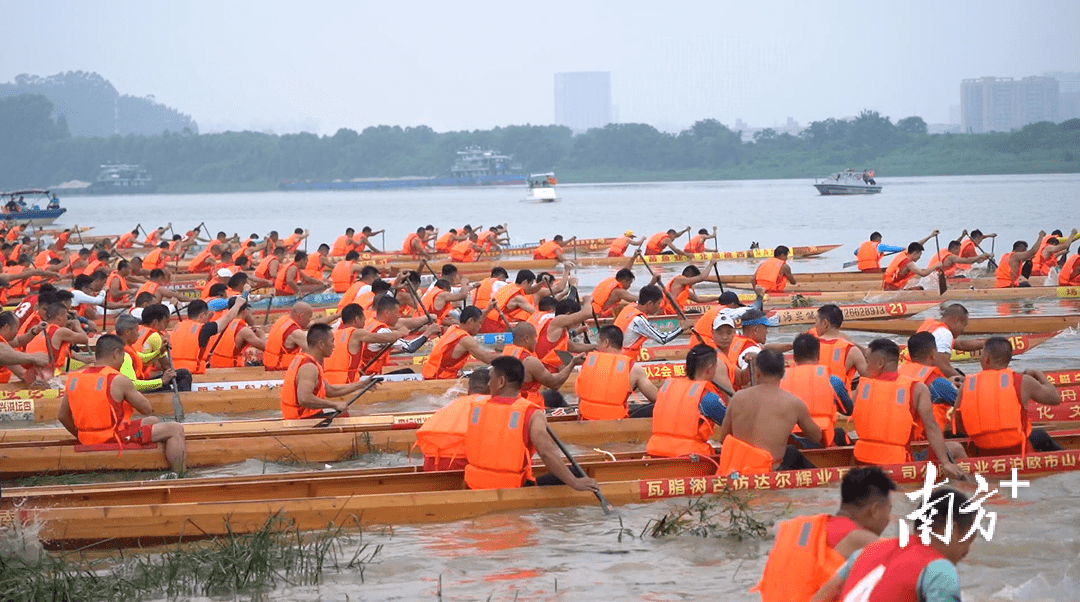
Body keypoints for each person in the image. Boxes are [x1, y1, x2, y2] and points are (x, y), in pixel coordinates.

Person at [812, 487, 979, 602]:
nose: (966, 552)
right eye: (969, 540)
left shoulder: (864, 552)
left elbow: (823, 596)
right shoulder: (939, 570)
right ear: (951, 530)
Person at [755, 467, 896, 602]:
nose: (888, 519)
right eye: (888, 510)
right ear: (875, 510)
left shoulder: (806, 529)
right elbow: (906, 559)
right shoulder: (858, 538)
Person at [463, 356, 599, 491]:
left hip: (474, 485)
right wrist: (575, 483)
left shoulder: (476, 409)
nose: (488, 384)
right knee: (577, 472)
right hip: (512, 488)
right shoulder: (532, 413)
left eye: (490, 379)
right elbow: (546, 454)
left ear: (501, 382)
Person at [57, 334, 186, 473]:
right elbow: (147, 408)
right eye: (124, 356)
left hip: (85, 437)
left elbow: (62, 416)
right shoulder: (117, 379)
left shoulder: (74, 378)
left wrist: (81, 435)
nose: (124, 360)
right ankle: (180, 476)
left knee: (152, 420)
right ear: (117, 354)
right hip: (113, 437)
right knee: (175, 429)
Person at [851, 339, 966, 478]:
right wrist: (946, 463)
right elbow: (932, 427)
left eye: (867, 361)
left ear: (880, 363)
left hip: (862, 459)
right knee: (956, 448)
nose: (865, 367)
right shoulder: (917, 389)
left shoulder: (861, 388)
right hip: (898, 464)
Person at [717, 350, 822, 475]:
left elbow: (723, 439)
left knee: (791, 451)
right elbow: (816, 437)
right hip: (770, 473)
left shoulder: (737, 398)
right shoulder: (794, 403)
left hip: (736, 472)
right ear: (783, 373)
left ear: (757, 373)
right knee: (792, 452)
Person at [955, 336, 1063, 455]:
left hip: (982, 451)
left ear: (986, 358)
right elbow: (1055, 398)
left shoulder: (967, 385)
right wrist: (1039, 374)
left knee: (1038, 435)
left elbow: (958, 426)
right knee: (1040, 435)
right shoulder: (1023, 381)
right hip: (1017, 449)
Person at [646, 344, 728, 458]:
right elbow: (732, 425)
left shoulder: (667, 387)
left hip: (656, 453)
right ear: (709, 369)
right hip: (688, 459)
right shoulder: (707, 398)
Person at [280, 323, 374, 419]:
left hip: (306, 416)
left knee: (356, 414)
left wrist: (361, 385)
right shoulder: (309, 367)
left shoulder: (306, 360)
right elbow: (304, 399)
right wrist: (334, 405)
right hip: (301, 420)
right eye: (332, 342)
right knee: (362, 416)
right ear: (321, 344)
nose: (334, 346)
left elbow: (329, 390)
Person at [782, 334, 855, 447]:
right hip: (823, 439)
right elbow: (848, 410)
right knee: (840, 434)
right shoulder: (832, 380)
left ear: (794, 357)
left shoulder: (780, 380)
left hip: (789, 439)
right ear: (818, 355)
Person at [575, 325, 660, 419]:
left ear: (606, 343)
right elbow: (657, 399)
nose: (596, 347)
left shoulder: (588, 364)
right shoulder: (633, 369)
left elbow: (580, 402)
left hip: (588, 421)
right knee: (653, 407)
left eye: (598, 343)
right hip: (616, 424)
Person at [416, 368, 490, 471]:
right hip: (461, 463)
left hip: (431, 464)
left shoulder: (449, 406)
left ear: (469, 389)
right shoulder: (492, 406)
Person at [500, 322, 584, 407]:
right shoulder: (529, 361)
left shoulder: (505, 353)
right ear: (527, 338)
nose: (537, 341)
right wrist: (573, 363)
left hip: (508, 405)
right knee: (554, 394)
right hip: (527, 410)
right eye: (535, 337)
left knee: (553, 395)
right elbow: (555, 383)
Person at [900, 332, 959, 436]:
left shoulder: (899, 372)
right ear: (933, 354)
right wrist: (962, 387)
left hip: (902, 436)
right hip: (925, 441)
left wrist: (948, 382)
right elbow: (964, 402)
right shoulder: (937, 383)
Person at [169, 298, 244, 376]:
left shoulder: (178, 326)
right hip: (193, 374)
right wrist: (238, 304)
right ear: (202, 315)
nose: (208, 319)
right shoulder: (204, 329)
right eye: (207, 315)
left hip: (174, 373)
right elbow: (227, 318)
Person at [422, 306, 500, 379]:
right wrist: (509, 357)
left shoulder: (453, 328)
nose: (480, 326)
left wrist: (488, 309)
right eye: (479, 323)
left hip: (429, 374)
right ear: (470, 321)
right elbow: (487, 359)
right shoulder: (466, 340)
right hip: (441, 378)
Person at [613, 285, 683, 359]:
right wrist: (682, 328)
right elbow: (663, 339)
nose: (659, 307)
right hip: (624, 359)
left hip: (618, 355)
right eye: (658, 303)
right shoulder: (638, 320)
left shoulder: (630, 306)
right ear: (650, 304)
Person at [114, 314, 180, 392]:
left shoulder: (124, 348)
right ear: (127, 332)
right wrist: (161, 381)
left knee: (180, 374)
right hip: (137, 392)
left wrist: (160, 351)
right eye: (136, 330)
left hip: (139, 386)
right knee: (182, 376)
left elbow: (144, 359)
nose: (138, 334)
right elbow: (131, 385)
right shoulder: (123, 355)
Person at [915, 304, 983, 378]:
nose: (963, 330)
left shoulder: (933, 327)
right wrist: (967, 382)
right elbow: (943, 367)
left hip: (913, 371)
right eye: (964, 325)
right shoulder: (944, 333)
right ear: (956, 320)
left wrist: (986, 343)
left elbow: (961, 345)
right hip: (924, 376)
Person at [813, 304, 869, 392]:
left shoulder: (808, 346)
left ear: (825, 323)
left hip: (812, 399)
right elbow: (870, 378)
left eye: (816, 321)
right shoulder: (852, 350)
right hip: (839, 402)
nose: (815, 325)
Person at [533, 297, 595, 371]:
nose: (580, 322)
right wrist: (587, 300)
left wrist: (595, 347)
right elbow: (587, 313)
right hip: (546, 371)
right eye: (577, 318)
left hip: (548, 369)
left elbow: (573, 347)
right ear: (568, 314)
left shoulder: (560, 329)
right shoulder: (557, 321)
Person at [26, 302, 89, 375]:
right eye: (66, 316)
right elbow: (85, 339)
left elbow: (60, 351)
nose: (66, 319)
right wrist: (77, 326)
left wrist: (83, 359)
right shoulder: (60, 331)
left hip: (34, 373)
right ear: (59, 317)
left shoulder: (39, 328)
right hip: (48, 376)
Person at [207, 297, 266, 369]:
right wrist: (262, 334)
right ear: (244, 311)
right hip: (231, 369)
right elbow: (266, 348)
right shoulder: (243, 330)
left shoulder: (220, 322)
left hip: (214, 365)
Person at [264, 302, 315, 371]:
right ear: (301, 316)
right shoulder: (295, 332)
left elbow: (312, 324)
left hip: (269, 368)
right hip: (283, 372)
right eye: (309, 318)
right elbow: (314, 350)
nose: (309, 321)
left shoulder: (282, 321)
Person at [925, 239, 992, 278]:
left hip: (932, 275)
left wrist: (962, 236)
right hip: (939, 278)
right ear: (954, 249)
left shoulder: (944, 250)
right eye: (958, 250)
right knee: (963, 277)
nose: (959, 252)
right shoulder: (951, 257)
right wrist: (980, 256)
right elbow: (967, 261)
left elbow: (955, 243)